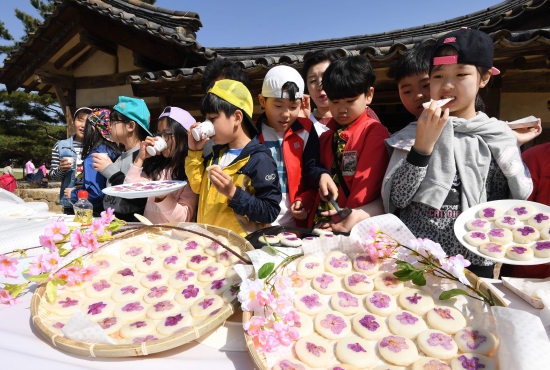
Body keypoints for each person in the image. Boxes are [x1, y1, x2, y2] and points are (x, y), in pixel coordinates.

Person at [382, 29, 533, 278]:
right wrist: (422, 147)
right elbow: (397, 198)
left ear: (484, 78)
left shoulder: (497, 136)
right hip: (420, 255)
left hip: (477, 253)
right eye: (438, 76)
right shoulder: (412, 133)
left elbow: (507, 200)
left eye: (461, 74)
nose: (447, 85)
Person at [185, 79, 281, 236]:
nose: (207, 125)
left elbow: (270, 211)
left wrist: (233, 193)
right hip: (210, 245)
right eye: (206, 119)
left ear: (237, 117)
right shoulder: (216, 153)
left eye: (213, 119)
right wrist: (194, 152)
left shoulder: (259, 159)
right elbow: (197, 187)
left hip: (239, 250)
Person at [315, 55, 390, 231]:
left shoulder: (374, 132)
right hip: (328, 224)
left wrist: (343, 220)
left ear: (369, 95)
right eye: (334, 102)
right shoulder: (326, 138)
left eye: (350, 101)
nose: (342, 109)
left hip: (353, 225)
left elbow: (365, 188)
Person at [256, 65, 336, 227]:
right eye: (278, 106)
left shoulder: (306, 129)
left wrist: (321, 176)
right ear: (262, 101)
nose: (286, 114)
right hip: (257, 221)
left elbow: (311, 167)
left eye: (293, 107)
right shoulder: (250, 133)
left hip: (295, 223)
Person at [125, 106, 198, 223]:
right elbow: (130, 192)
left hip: (174, 238)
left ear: (184, 137)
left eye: (167, 134)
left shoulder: (191, 173)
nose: (161, 140)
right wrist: (140, 158)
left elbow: (183, 218)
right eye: (158, 134)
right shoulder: (157, 169)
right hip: (151, 235)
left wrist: (162, 195)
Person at [92, 97, 150, 222]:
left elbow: (138, 196)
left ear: (130, 125)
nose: (109, 126)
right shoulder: (121, 156)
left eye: (113, 121)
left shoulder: (145, 156)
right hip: (112, 222)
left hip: (131, 224)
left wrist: (110, 171)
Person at [302, 50, 382, 137]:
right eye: (313, 81)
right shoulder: (304, 121)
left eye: (326, 78)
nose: (320, 86)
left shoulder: (366, 115)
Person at [65, 109, 120, 216]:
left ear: (93, 129)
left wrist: (73, 194)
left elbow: (95, 193)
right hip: (114, 208)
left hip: (97, 213)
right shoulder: (114, 150)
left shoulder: (95, 155)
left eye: (87, 127)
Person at [50, 107, 91, 214]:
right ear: (73, 122)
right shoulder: (60, 146)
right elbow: (54, 177)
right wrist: (61, 169)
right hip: (70, 203)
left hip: (92, 202)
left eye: (88, 122)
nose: (83, 125)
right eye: (80, 120)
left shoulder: (96, 147)